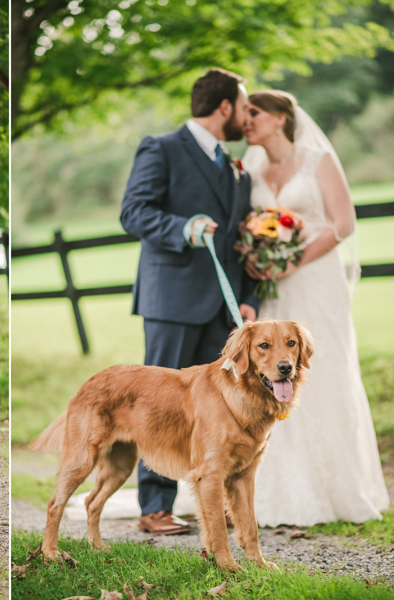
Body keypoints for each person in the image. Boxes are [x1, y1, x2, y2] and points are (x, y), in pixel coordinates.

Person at [120, 68, 260, 535]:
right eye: (243, 107)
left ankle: (212, 504)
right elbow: (133, 212)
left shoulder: (235, 167)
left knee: (220, 411)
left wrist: (247, 299)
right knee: (159, 407)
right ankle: (153, 507)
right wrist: (183, 228)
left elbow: (240, 241)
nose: (247, 116)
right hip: (172, 301)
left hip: (225, 309)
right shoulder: (161, 148)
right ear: (225, 107)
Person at [242, 90, 389, 526]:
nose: (245, 120)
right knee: (269, 373)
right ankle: (269, 486)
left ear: (281, 117)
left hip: (315, 281)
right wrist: (256, 257)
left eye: (254, 112)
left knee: (322, 374)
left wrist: (290, 260)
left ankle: (335, 486)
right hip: (270, 288)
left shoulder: (316, 160)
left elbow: (343, 224)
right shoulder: (248, 168)